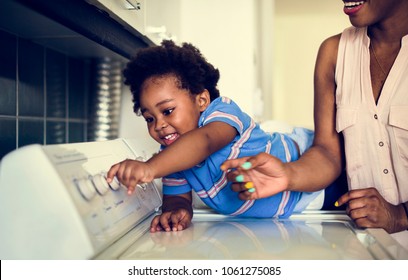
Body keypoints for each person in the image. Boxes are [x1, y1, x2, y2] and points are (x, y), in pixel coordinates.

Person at [221, 0, 408, 248]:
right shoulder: (334, 52)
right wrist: (287, 175)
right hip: (365, 248)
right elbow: (328, 153)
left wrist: (401, 215)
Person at [106, 40, 337, 233]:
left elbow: (204, 142)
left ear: (202, 101)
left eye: (167, 111)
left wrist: (149, 168)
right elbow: (178, 198)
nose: (159, 125)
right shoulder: (171, 160)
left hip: (314, 176)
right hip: (287, 214)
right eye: (149, 118)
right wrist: (177, 211)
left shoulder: (221, 113)